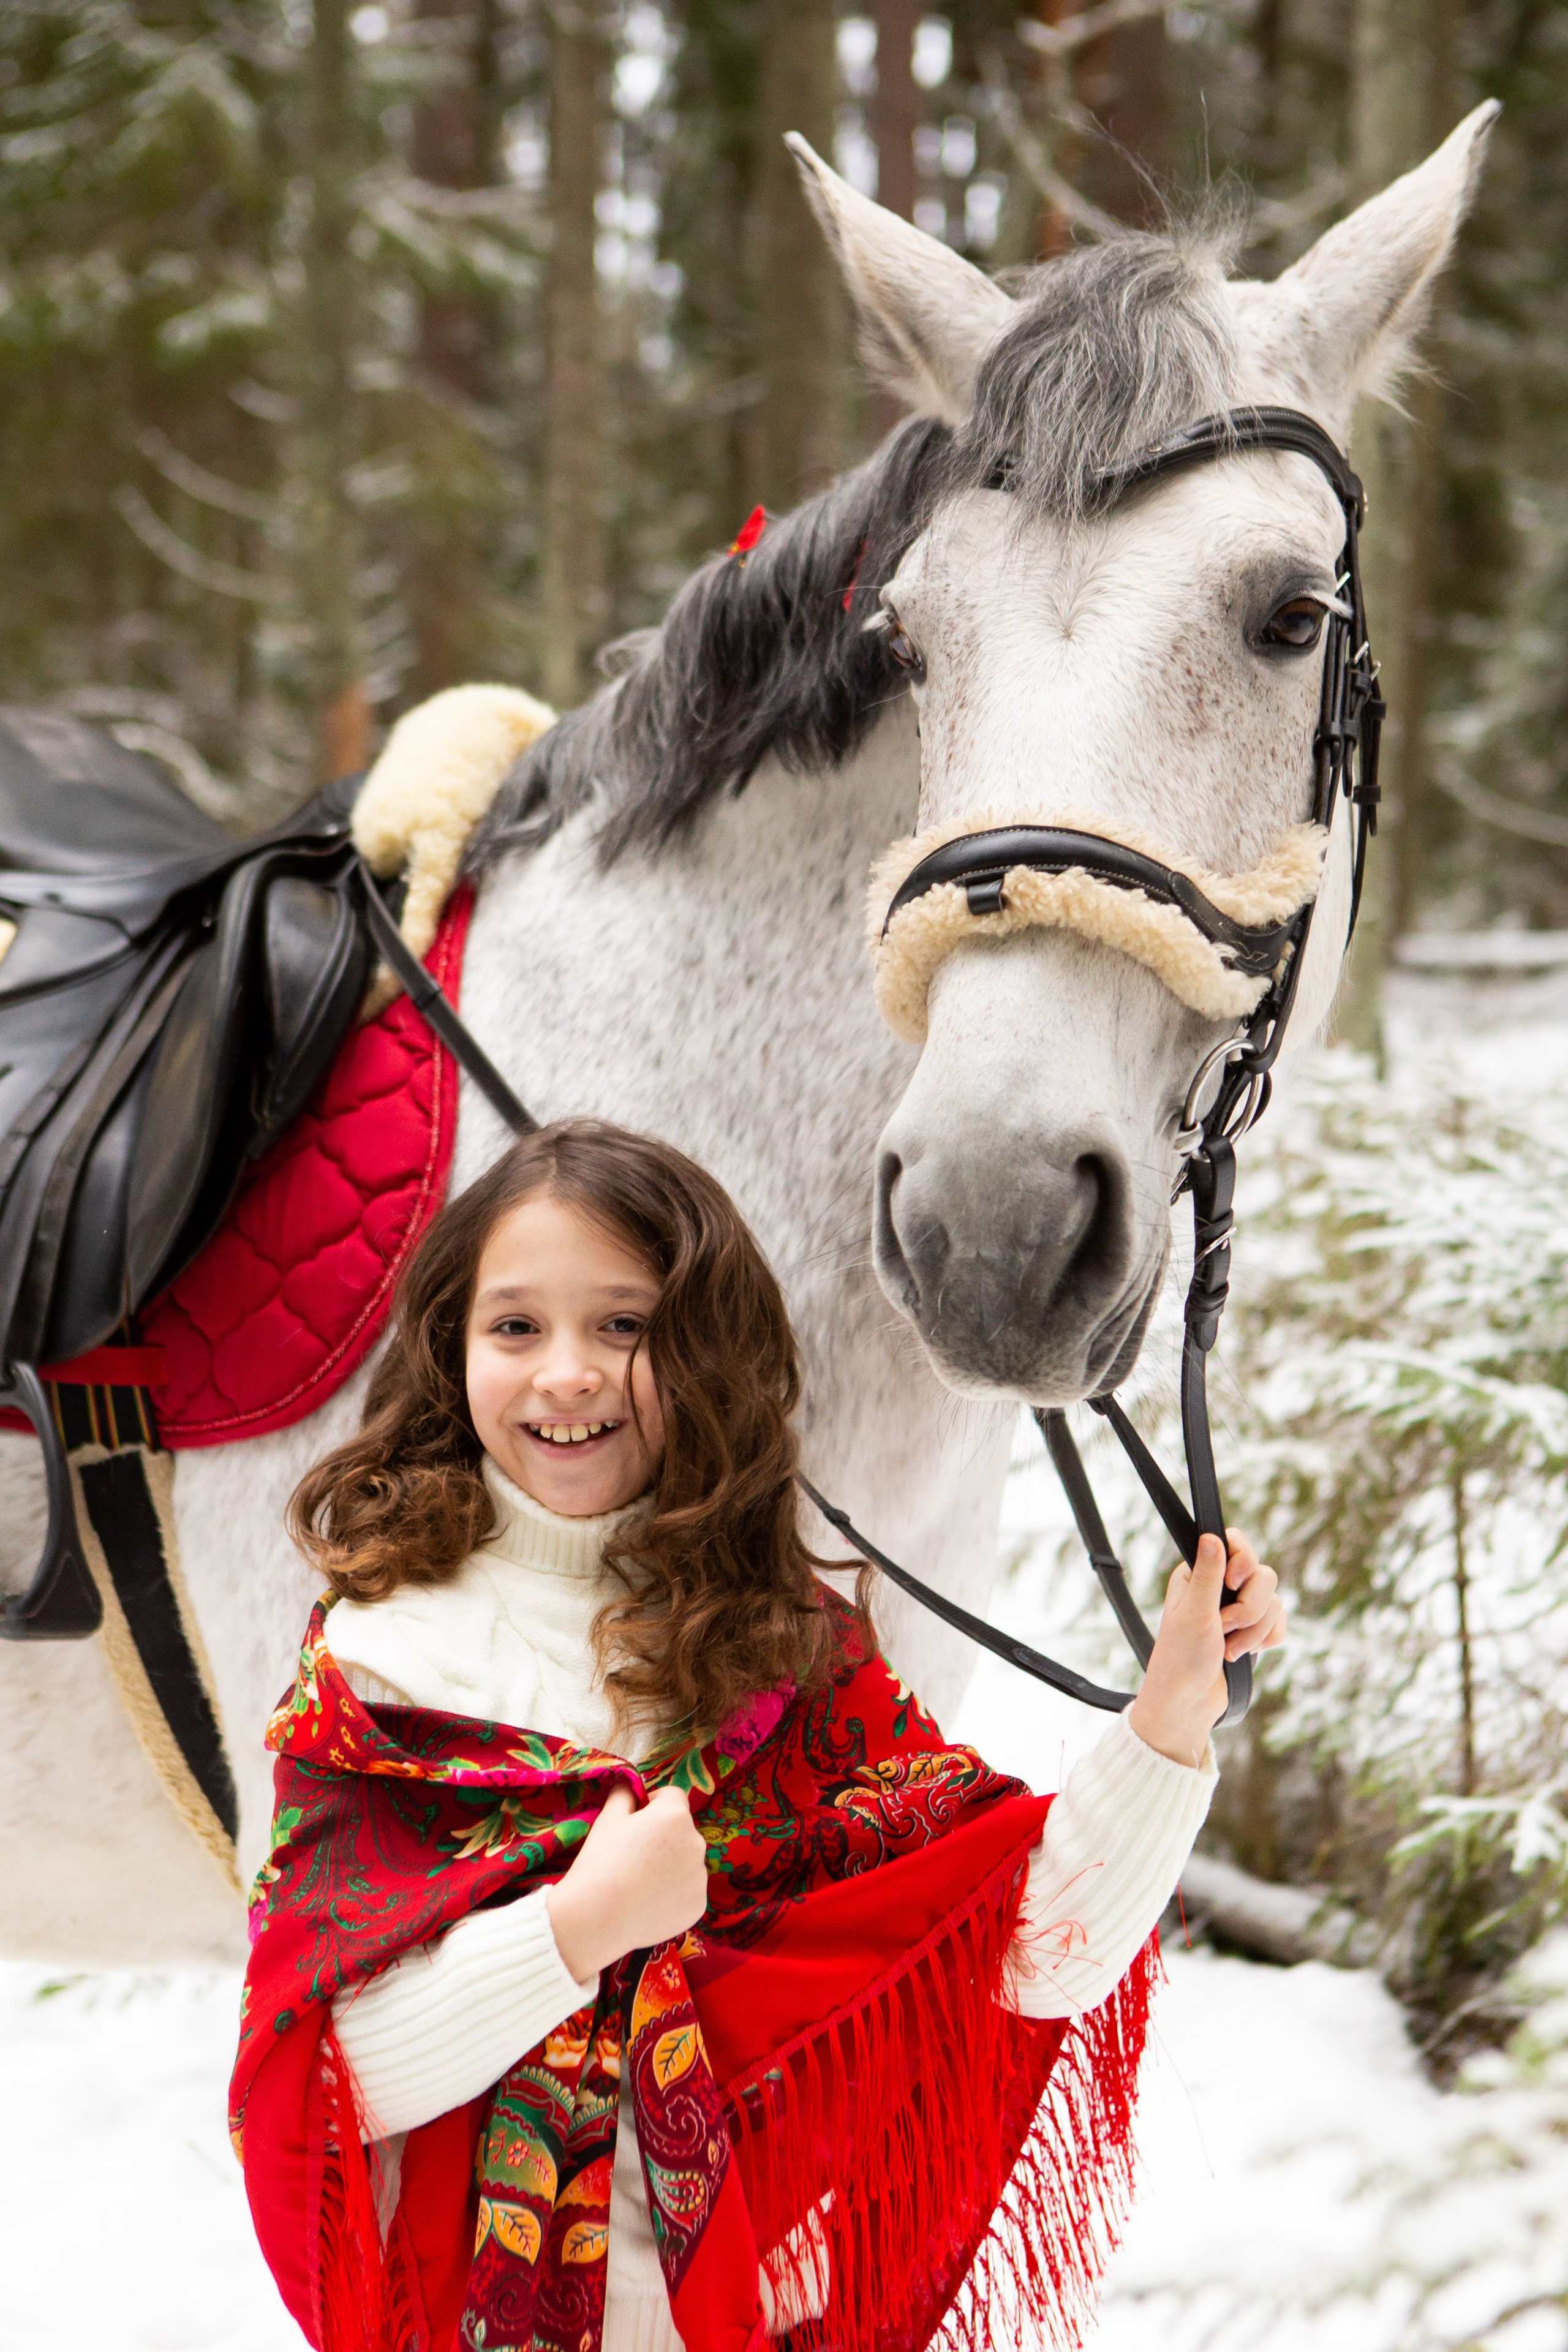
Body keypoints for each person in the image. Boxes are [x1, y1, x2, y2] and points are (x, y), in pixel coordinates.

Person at [230, 1120, 1283, 2352]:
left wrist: (1163, 1720)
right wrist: (578, 1931)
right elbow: (322, 2086)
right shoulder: (381, 1670)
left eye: (623, 1326)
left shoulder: (790, 1656)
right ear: (450, 1349)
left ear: (703, 1351)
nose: (566, 1372)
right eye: (515, 1327)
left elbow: (1019, 1951)